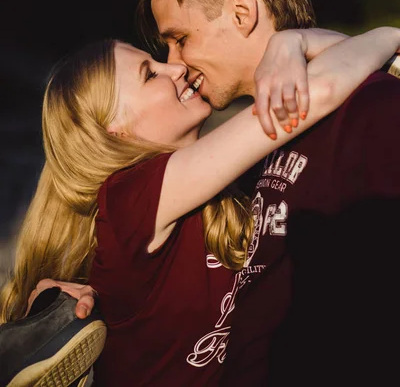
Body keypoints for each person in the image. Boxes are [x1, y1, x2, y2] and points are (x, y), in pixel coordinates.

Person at [1, 26, 399, 387]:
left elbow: (351, 69)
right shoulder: (127, 199)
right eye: (149, 73)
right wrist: (389, 34)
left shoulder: (221, 188)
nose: (175, 67)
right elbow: (321, 90)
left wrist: (293, 43)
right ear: (115, 128)